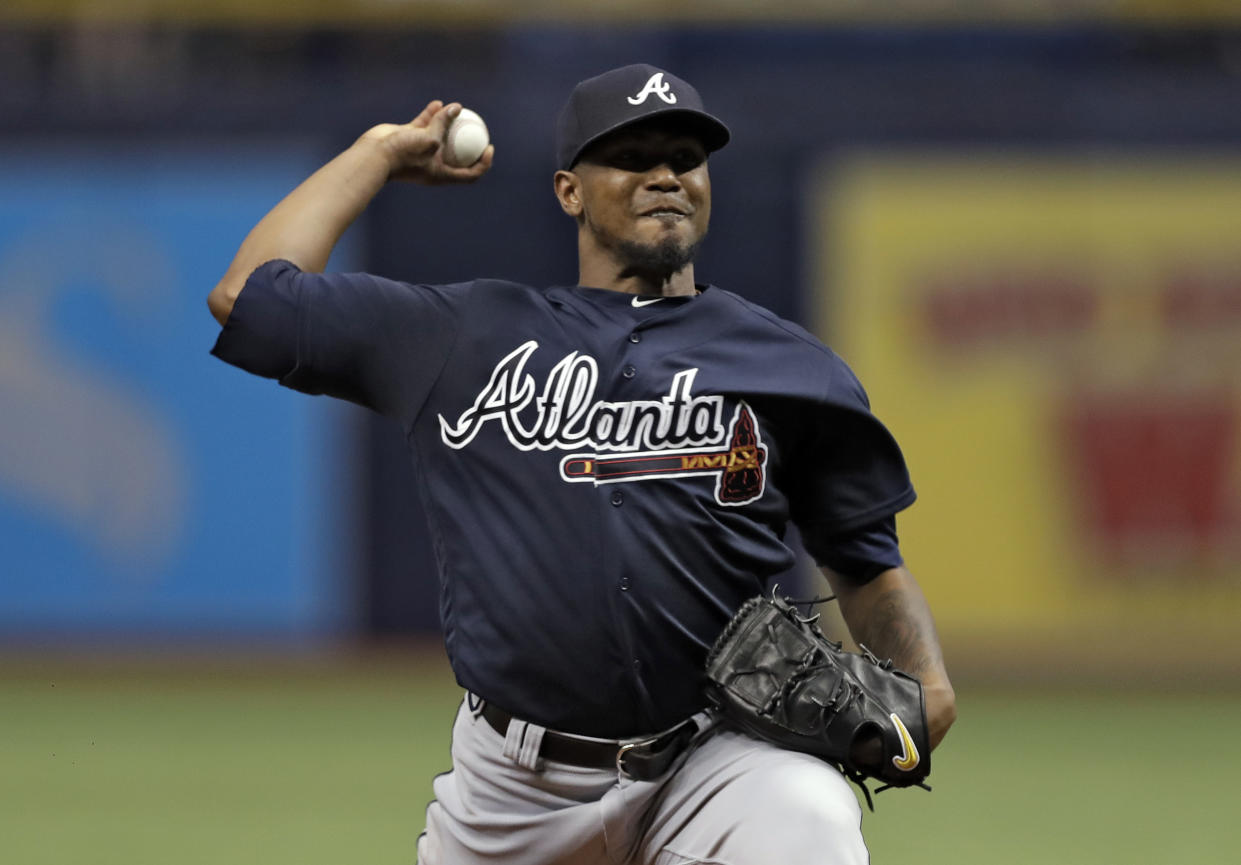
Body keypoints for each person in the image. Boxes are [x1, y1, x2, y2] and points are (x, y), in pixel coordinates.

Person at [208, 64, 956, 865]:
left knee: (810, 814)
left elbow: (864, 558)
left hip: (712, 764)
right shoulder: (463, 336)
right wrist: (380, 152)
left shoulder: (791, 366)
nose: (664, 175)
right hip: (511, 787)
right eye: (632, 157)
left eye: (684, 157)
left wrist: (927, 685)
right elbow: (251, 296)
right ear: (569, 191)